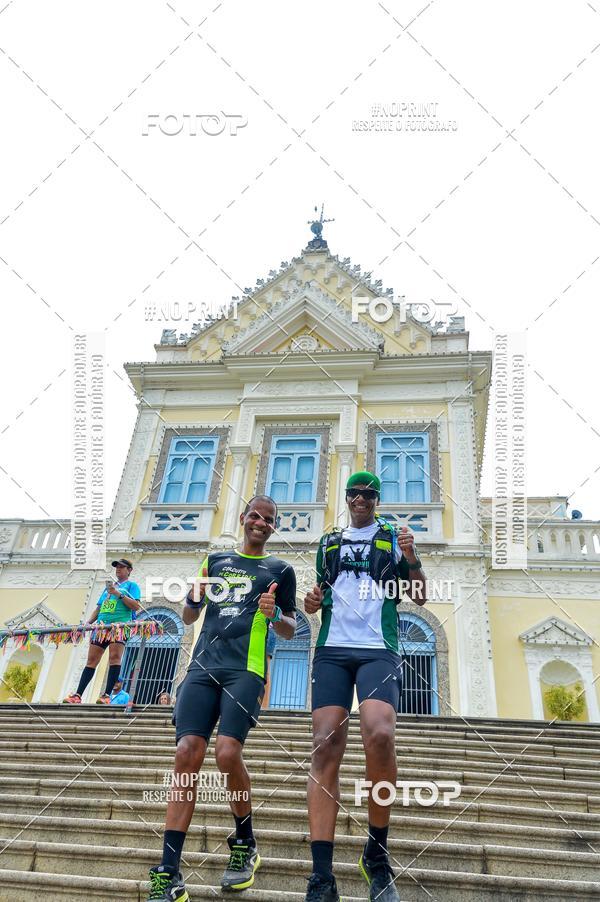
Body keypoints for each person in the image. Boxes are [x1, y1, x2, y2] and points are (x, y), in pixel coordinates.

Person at [147, 495, 297, 902]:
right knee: (186, 754)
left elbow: (289, 628)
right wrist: (194, 597)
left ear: (274, 527)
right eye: (255, 516)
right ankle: (169, 871)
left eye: (269, 519)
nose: (261, 523)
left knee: (227, 753)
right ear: (243, 517)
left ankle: (245, 842)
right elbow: (189, 616)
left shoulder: (281, 569)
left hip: (246, 669)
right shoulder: (214, 561)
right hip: (202, 667)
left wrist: (274, 614)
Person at [304, 472, 427, 902]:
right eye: (354, 493)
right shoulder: (329, 542)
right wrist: (311, 602)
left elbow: (419, 595)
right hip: (332, 649)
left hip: (379, 648)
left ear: (377, 499)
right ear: (346, 498)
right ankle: (322, 876)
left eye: (368, 494)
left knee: (380, 734)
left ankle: (376, 854)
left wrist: (411, 556)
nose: (360, 499)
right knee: (324, 744)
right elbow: (318, 597)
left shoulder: (393, 538)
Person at [64, 559, 141, 704]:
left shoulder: (132, 586)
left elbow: (136, 606)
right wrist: (88, 623)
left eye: (122, 567)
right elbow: (99, 608)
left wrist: (118, 594)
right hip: (101, 627)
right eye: (117, 567)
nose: (118, 569)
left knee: (114, 658)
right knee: (91, 660)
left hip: (118, 627)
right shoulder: (108, 589)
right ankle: (77, 695)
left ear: (129, 570)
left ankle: (106, 695)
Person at [261, 622, 276, 709]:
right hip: (268, 630)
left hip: (264, 631)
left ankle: (263, 707)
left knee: (265, 671)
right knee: (266, 671)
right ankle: (264, 707)